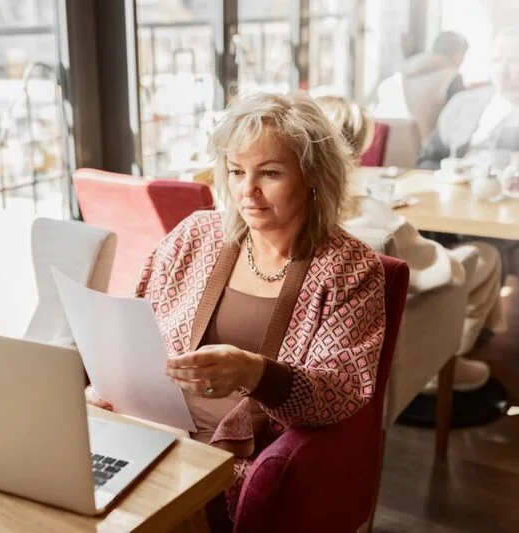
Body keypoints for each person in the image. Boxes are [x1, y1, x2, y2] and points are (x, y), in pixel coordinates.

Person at [87, 92, 387, 531]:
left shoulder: (350, 268)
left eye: (269, 173)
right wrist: (106, 381)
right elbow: (135, 326)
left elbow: (339, 391)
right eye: (235, 171)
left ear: (313, 178)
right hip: (152, 424)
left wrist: (254, 373)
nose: (247, 191)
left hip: (231, 453)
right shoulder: (195, 235)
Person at [319, 95, 504, 392]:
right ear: (353, 155)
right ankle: (445, 363)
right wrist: (454, 257)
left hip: (338, 344)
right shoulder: (374, 218)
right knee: (485, 256)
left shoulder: (288, 215)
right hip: (397, 335)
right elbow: (446, 270)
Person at [417, 26, 519, 170]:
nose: (502, 70)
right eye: (497, 60)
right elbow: (428, 159)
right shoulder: (462, 104)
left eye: (514, 60)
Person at [373, 31, 469, 141]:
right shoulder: (452, 77)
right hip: (428, 152)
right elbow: (459, 125)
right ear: (458, 55)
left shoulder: (404, 74)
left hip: (388, 147)